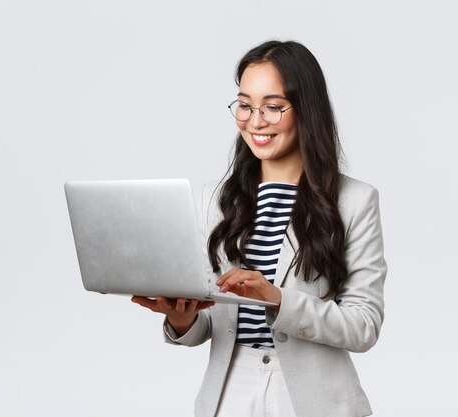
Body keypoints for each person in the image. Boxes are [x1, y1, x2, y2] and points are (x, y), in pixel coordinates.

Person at [132, 40, 387, 417]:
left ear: (306, 110)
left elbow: (363, 325)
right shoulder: (213, 200)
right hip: (230, 393)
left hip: (313, 400)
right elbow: (209, 323)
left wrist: (278, 299)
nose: (255, 121)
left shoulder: (354, 201)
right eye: (245, 105)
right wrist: (181, 316)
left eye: (272, 107)